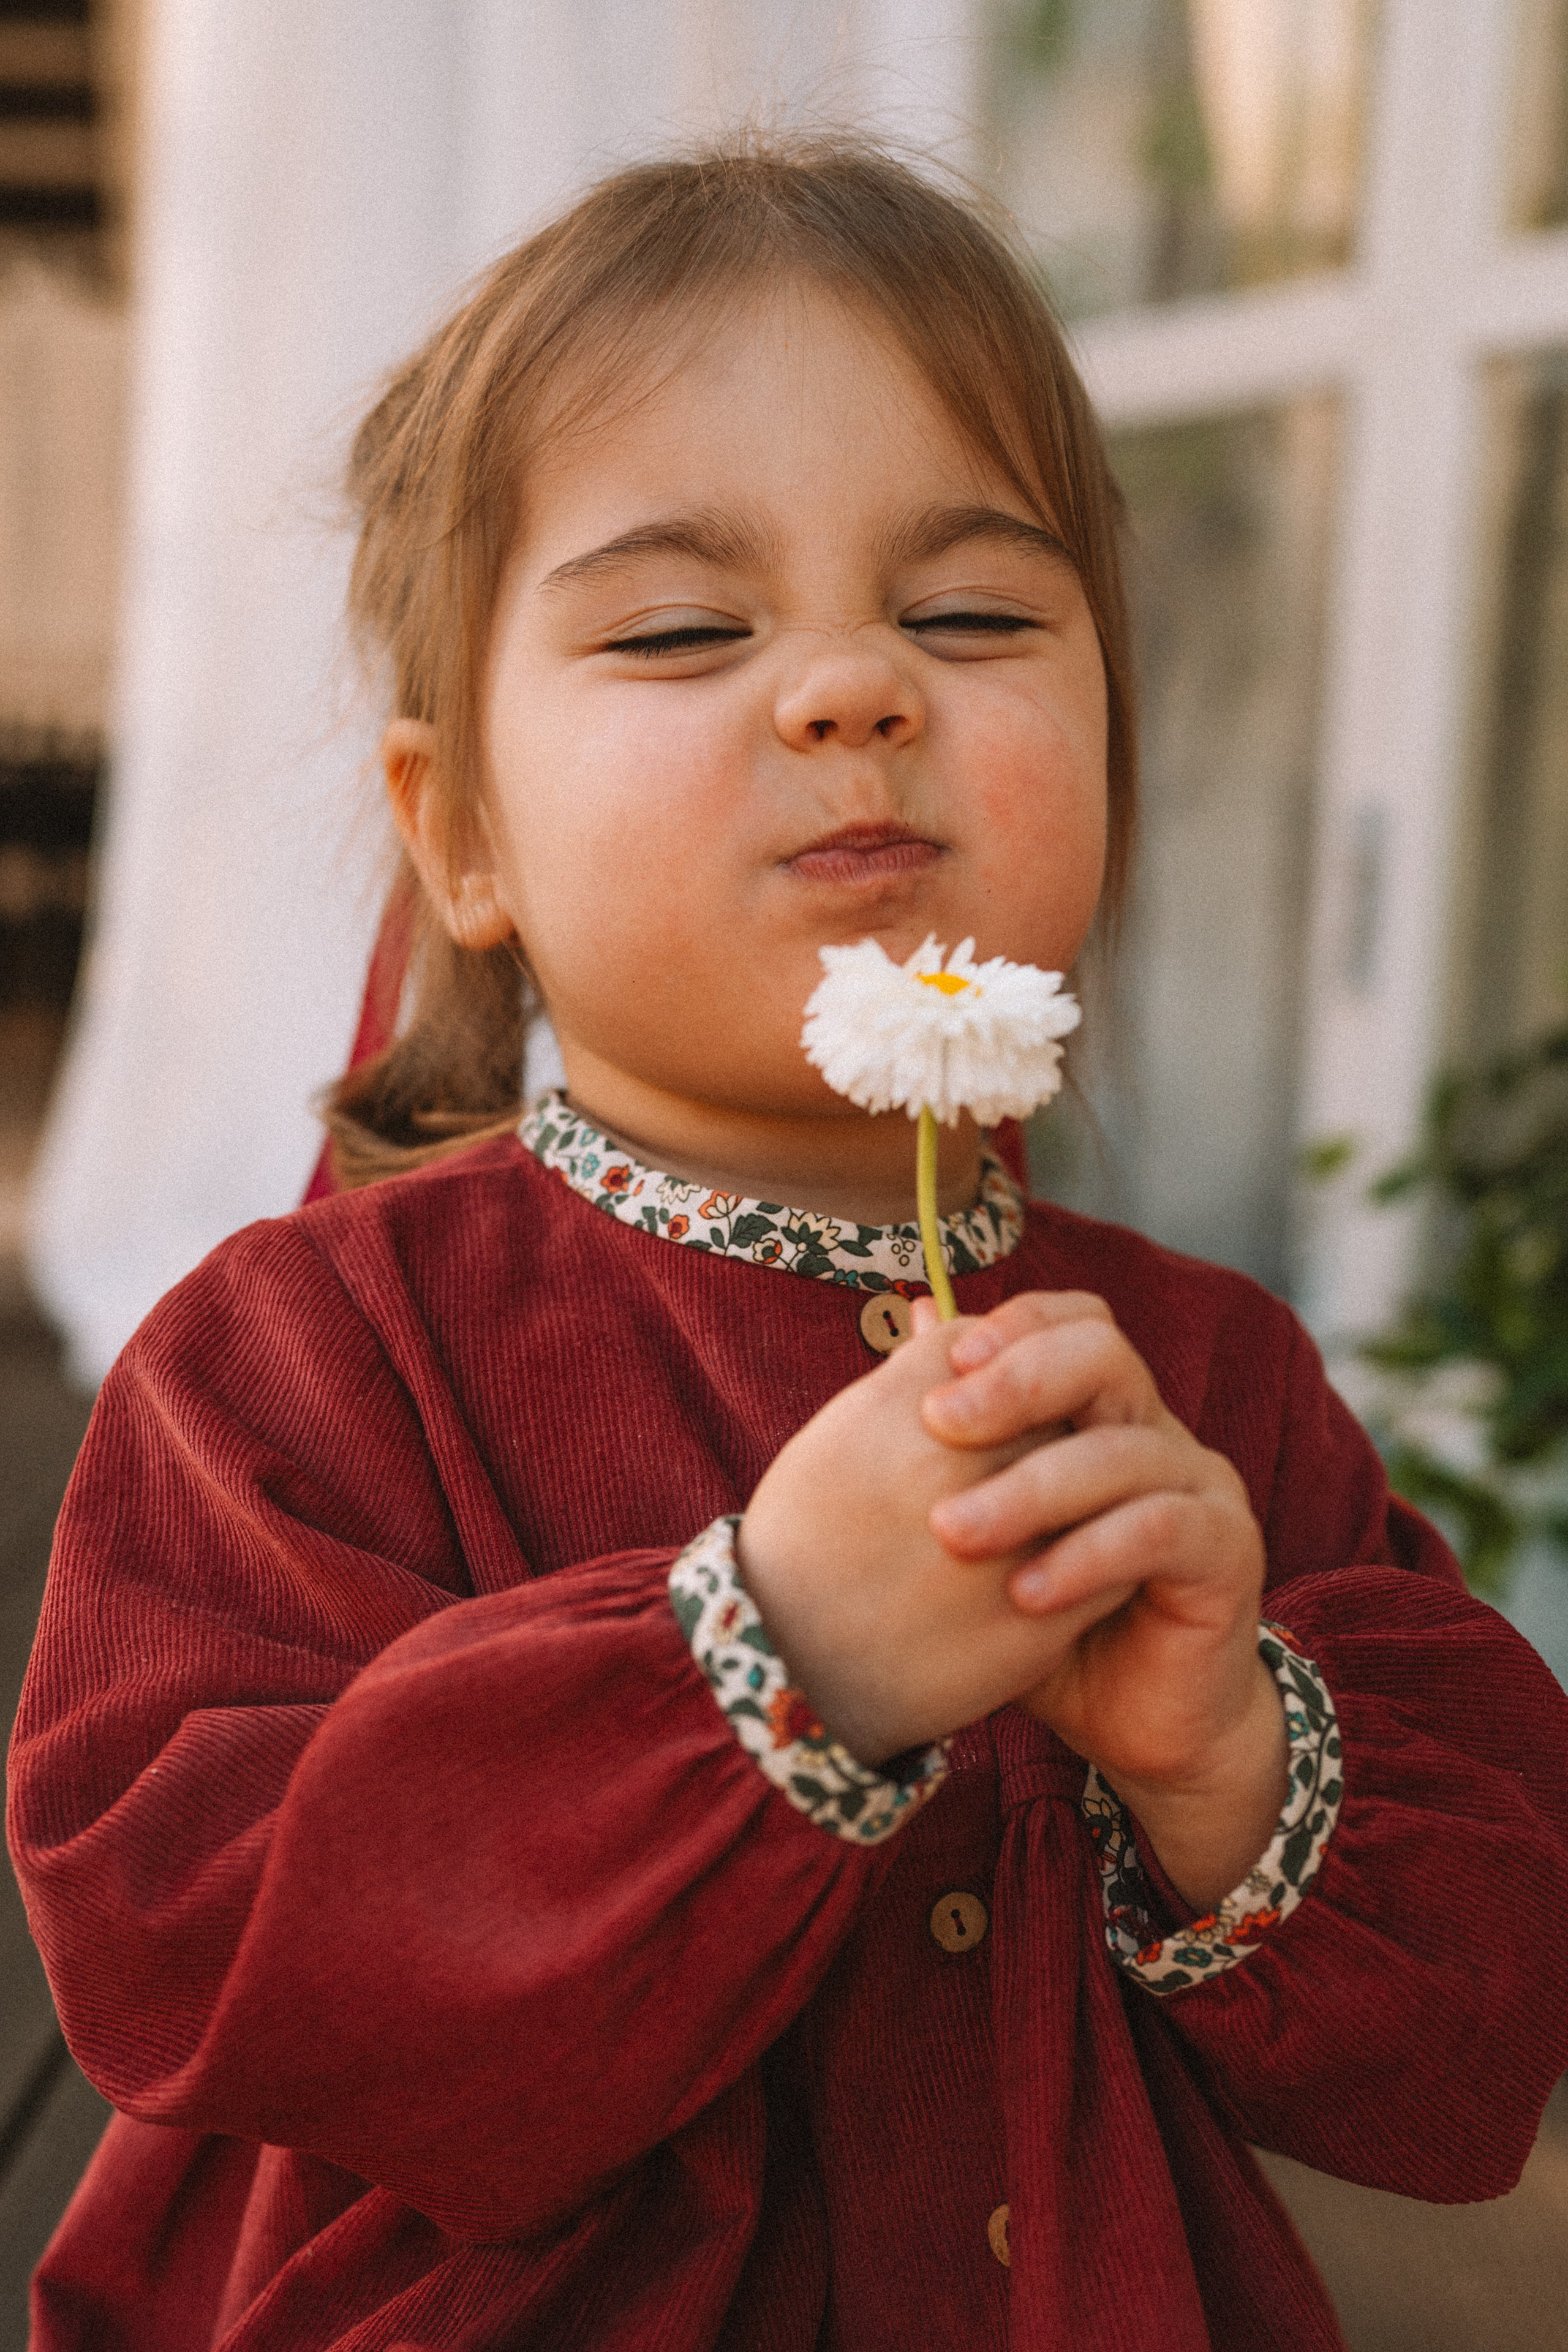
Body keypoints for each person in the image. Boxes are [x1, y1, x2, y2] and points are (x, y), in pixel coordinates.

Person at [9, 139, 1568, 2352]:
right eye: (681, 630)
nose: (854, 690)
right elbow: (199, 1950)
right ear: (463, 837)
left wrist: (1225, 1756)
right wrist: (770, 1656)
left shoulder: (1208, 1383)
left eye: (973, 618)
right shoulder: (303, 1359)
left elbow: (1471, 2047)